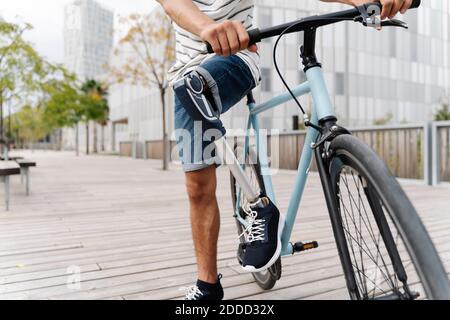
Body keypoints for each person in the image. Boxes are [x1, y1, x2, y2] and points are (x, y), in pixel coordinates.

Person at [157, 0, 413, 301]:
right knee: (197, 185)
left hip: (238, 56)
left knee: (199, 87)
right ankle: (208, 284)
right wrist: (207, 28)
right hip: (186, 74)